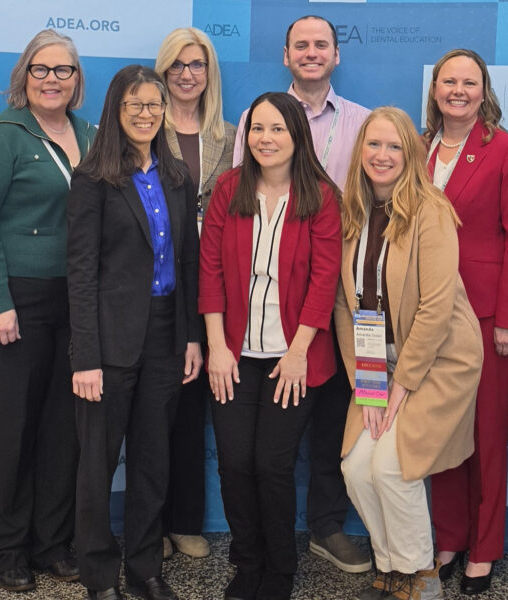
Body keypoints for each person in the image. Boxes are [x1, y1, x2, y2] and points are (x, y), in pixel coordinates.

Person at [233, 15, 372, 573]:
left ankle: (325, 525)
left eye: (322, 45)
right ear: (285, 54)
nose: (311, 53)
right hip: (281, 297)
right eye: (301, 45)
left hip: (350, 290)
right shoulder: (255, 117)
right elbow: (247, 205)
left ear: (337, 55)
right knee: (274, 433)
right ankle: (267, 547)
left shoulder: (363, 122)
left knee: (334, 410)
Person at [0, 28, 92, 593]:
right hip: (13, 300)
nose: (52, 80)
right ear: (24, 76)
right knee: (11, 429)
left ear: (77, 79)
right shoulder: (3, 136)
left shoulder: (92, 134)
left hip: (76, 301)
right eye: (42, 69)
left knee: (64, 431)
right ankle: (5, 549)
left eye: (63, 70)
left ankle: (51, 543)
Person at [335, 107, 483, 600]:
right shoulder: (351, 211)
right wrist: (365, 381)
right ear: (360, 152)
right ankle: (391, 566)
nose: (382, 156)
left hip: (439, 358)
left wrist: (401, 385)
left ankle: (421, 575)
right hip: (378, 359)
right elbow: (343, 304)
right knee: (356, 468)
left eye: (394, 146)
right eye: (373, 145)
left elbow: (437, 307)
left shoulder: (431, 210)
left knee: (391, 467)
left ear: (410, 154)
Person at [199, 91, 342, 600]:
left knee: (273, 466)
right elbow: (210, 269)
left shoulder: (322, 195)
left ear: (297, 135)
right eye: (257, 129)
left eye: (277, 128)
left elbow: (325, 280)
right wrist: (217, 346)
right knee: (235, 463)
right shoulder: (228, 188)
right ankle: (248, 561)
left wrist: (300, 350)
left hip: (293, 358)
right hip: (233, 354)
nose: (266, 138)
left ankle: (280, 569)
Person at [66, 65, 202, 600]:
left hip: (167, 336)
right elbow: (80, 271)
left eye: (154, 105)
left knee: (153, 461)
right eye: (135, 105)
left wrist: (191, 336)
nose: (146, 114)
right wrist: (85, 357)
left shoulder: (175, 175)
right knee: (97, 466)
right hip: (109, 341)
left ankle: (146, 569)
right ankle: (99, 577)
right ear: (115, 112)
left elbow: (187, 263)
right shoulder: (94, 178)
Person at [422, 49, 508, 595]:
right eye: (450, 81)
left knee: (487, 434)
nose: (459, 91)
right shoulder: (418, 149)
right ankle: (450, 536)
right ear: (436, 88)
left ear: (484, 89)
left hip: (488, 314)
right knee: (442, 431)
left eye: (470, 82)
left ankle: (485, 549)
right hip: (430, 316)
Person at [154, 26, 236, 561]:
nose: (187, 74)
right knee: (151, 410)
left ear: (210, 74)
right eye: (178, 65)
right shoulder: (140, 129)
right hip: (154, 289)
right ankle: (148, 525)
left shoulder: (232, 136)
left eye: (197, 64)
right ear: (163, 72)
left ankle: (183, 521)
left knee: (190, 410)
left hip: (212, 286)